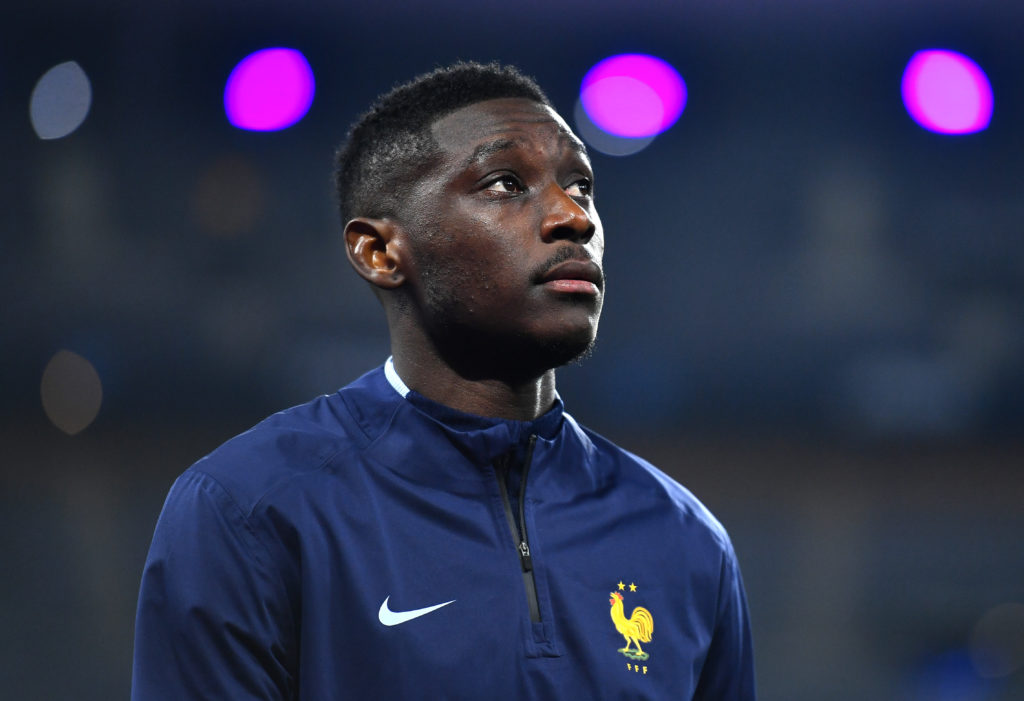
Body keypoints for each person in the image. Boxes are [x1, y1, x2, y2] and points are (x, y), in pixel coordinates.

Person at [131, 61, 756, 700]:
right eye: (507, 183)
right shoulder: (250, 511)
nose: (575, 218)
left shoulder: (684, 538)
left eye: (582, 186)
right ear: (379, 252)